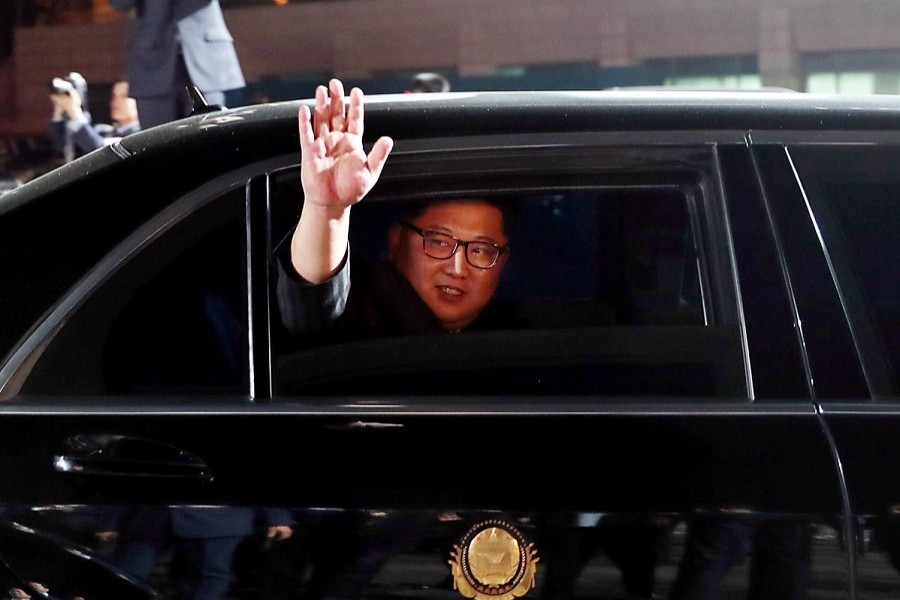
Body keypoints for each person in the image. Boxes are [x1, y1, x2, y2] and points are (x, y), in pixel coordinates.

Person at [276, 78, 509, 341]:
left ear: (504, 260)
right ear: (396, 239)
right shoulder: (367, 313)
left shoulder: (518, 335)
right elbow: (312, 313)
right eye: (439, 242)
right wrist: (327, 210)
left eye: (480, 250)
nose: (457, 269)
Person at [96, 505, 293, 600]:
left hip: (217, 518)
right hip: (159, 515)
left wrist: (278, 516)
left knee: (211, 580)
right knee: (124, 575)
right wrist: (111, 519)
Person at [109, 0, 246, 128]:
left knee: (210, 138)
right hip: (151, 61)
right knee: (158, 141)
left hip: (205, 54)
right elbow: (120, 3)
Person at [49, 77, 141, 161]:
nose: (116, 101)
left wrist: (74, 111)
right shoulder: (105, 131)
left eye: (124, 96)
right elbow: (63, 146)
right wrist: (60, 110)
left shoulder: (139, 135)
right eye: (113, 96)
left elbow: (101, 150)